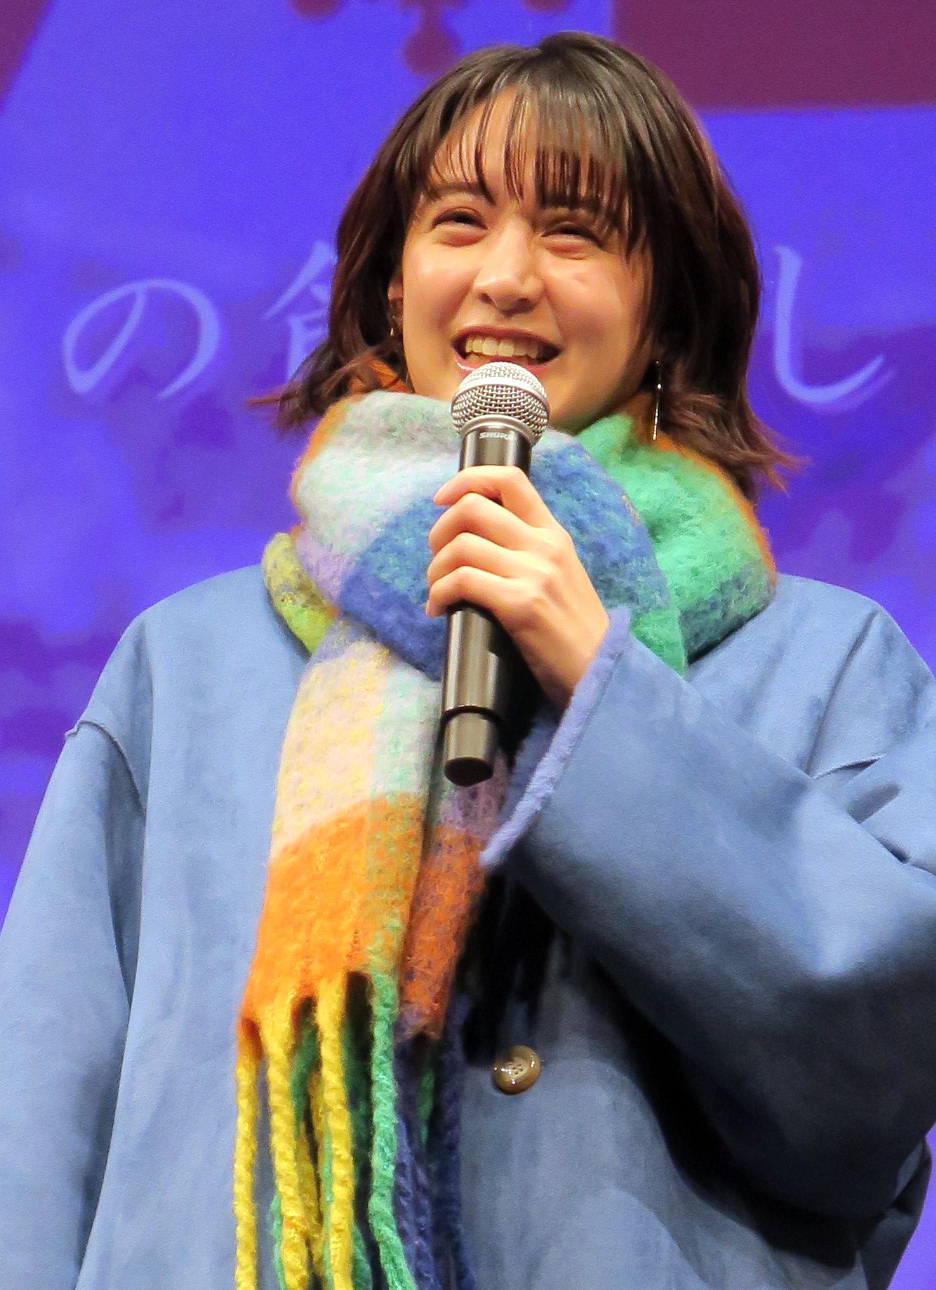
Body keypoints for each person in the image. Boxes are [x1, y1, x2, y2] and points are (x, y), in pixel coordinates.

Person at [1, 30, 935, 1290]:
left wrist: (599, 684)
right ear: (393, 288)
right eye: (458, 223)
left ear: (665, 314)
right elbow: (37, 1121)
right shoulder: (186, 668)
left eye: (574, 233)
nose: (505, 276)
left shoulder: (826, 664)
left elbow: (881, 1074)